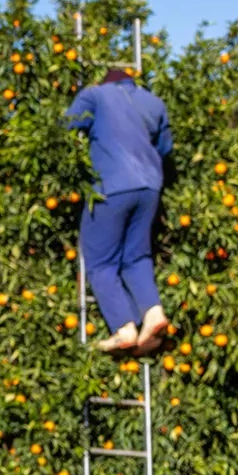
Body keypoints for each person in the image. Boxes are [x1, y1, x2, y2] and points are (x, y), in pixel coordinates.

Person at [66, 67, 174, 354]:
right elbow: (164, 147)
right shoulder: (154, 102)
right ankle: (153, 314)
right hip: (150, 187)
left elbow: (65, 130)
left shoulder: (95, 95)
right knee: (136, 257)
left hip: (112, 185)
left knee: (100, 260)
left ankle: (124, 328)